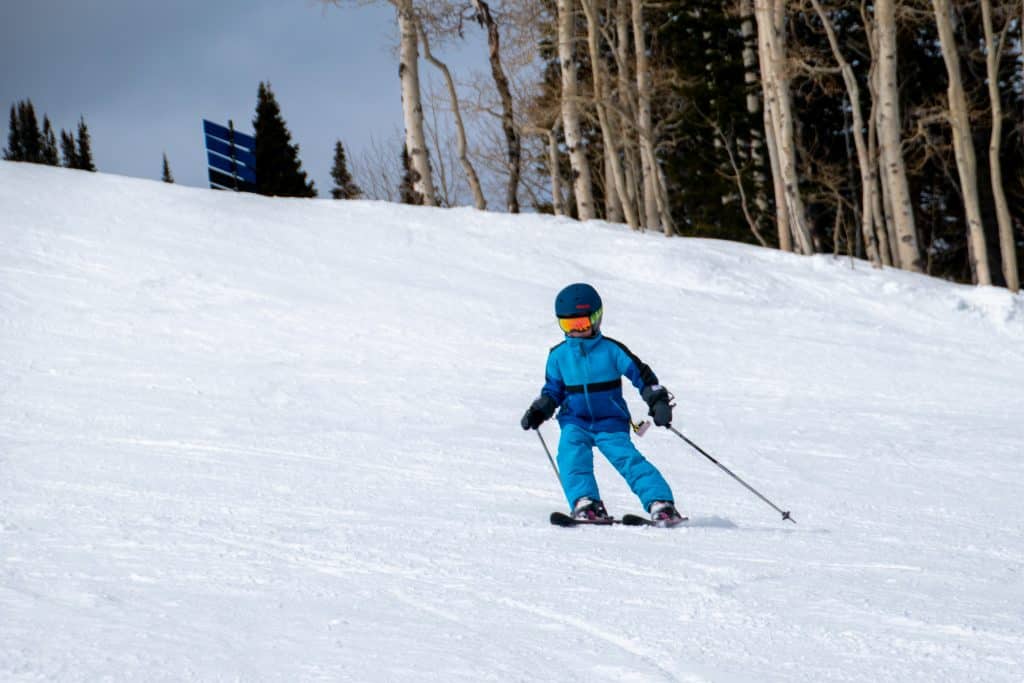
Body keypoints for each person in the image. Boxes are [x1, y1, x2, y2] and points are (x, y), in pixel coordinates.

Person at [520, 283, 685, 526]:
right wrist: (539, 410)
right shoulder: (558, 356)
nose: (576, 331)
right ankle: (586, 502)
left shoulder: (612, 351)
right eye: (568, 325)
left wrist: (658, 401)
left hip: (610, 421)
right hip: (575, 420)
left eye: (581, 324)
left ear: (597, 318)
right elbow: (552, 391)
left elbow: (644, 378)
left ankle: (661, 503)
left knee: (628, 460)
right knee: (571, 456)